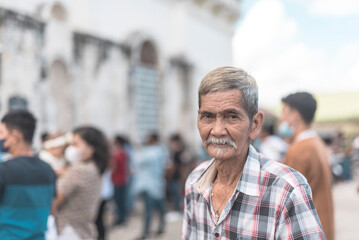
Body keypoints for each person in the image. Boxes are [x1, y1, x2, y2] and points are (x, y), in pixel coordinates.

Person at [182, 67, 325, 239]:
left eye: (232, 116)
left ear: (255, 124)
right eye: (207, 116)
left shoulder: (286, 191)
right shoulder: (194, 182)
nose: (217, 130)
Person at [279, 92, 334, 240]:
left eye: (283, 112)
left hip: (308, 229)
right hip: (323, 224)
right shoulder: (316, 142)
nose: (281, 118)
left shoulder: (299, 150)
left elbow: (286, 198)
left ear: (294, 116)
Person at [0, 110, 56, 239]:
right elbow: (52, 209)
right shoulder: (48, 169)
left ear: (14, 136)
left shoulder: (4, 171)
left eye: (1, 133)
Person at [52, 126, 110, 240]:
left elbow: (55, 199)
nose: (71, 149)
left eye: (75, 144)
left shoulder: (79, 170)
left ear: (90, 148)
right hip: (83, 230)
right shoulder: (94, 168)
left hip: (68, 230)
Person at [135, 133, 166, 240]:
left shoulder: (152, 152)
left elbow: (138, 162)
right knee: (155, 209)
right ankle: (153, 229)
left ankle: (147, 232)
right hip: (151, 185)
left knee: (153, 209)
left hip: (152, 184)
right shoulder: (159, 151)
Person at [111, 135, 128, 225]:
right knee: (121, 200)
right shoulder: (123, 152)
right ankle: (122, 217)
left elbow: (114, 167)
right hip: (122, 179)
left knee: (118, 201)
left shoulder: (117, 153)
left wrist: (110, 176)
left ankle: (120, 219)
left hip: (117, 180)